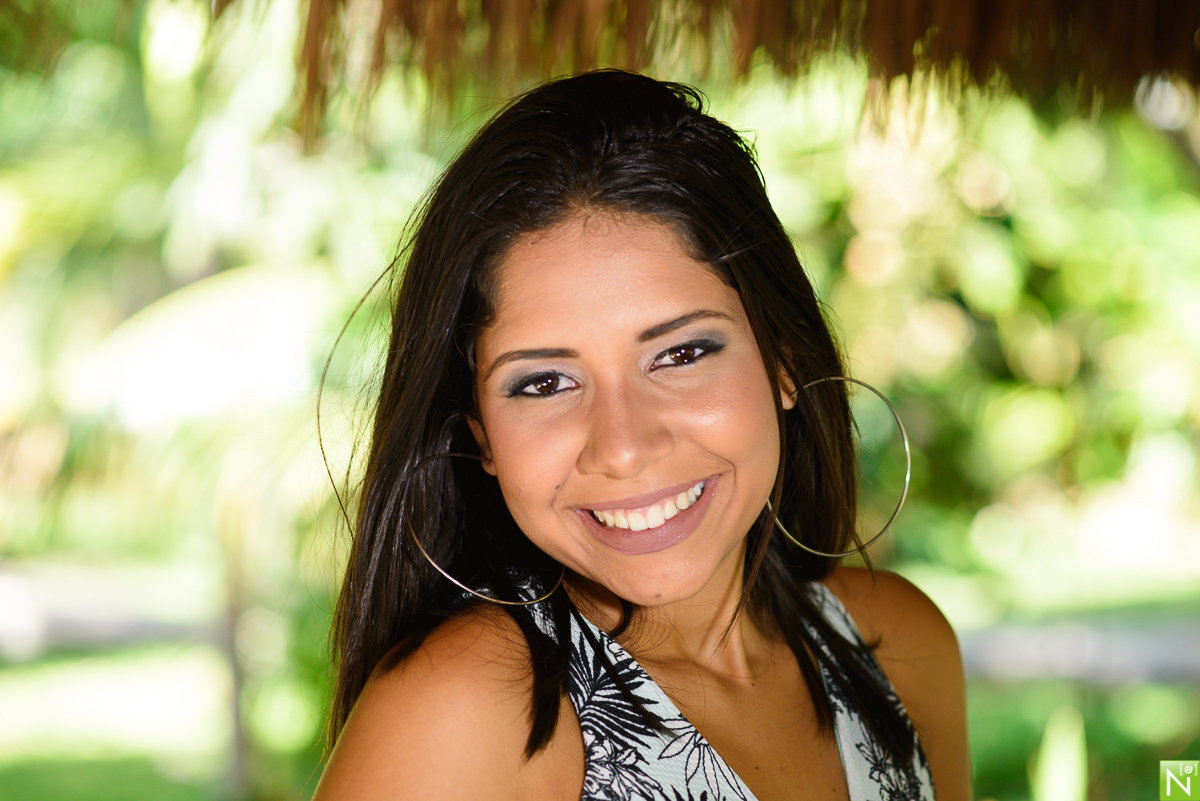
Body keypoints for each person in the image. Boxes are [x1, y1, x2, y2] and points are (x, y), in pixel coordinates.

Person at [313, 69, 970, 801]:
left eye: (681, 354)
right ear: (482, 435)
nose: (623, 446)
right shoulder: (470, 711)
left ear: (783, 362)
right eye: (545, 383)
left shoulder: (898, 648)